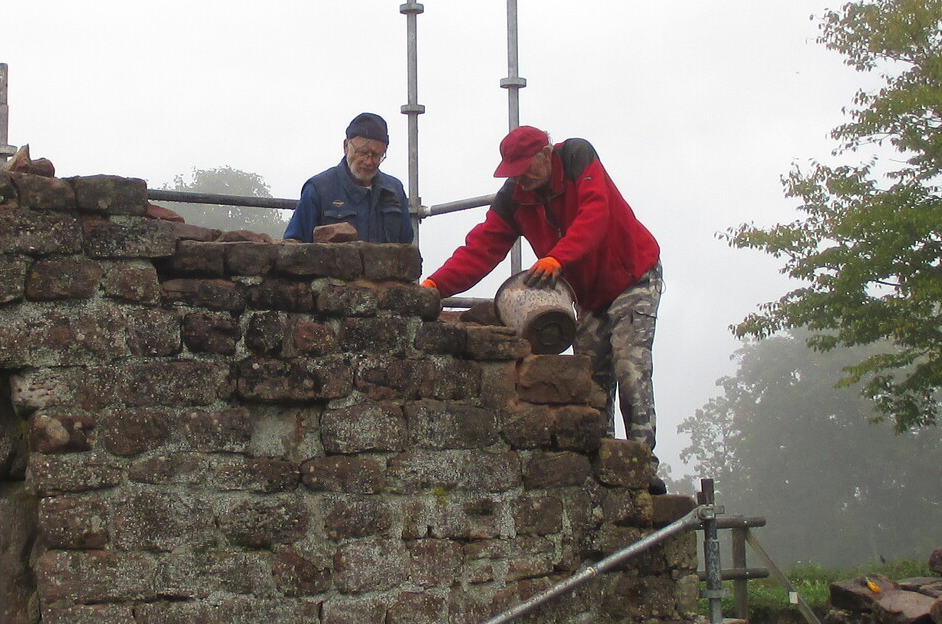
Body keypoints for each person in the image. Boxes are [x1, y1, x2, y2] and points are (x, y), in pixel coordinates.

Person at [421, 125, 664, 458]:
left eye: (525, 168)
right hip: (590, 298)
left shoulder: (577, 157)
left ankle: (642, 460)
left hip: (633, 276)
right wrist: (435, 286)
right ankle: (604, 461)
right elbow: (481, 249)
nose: (520, 178)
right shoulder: (514, 198)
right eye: (513, 172)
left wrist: (558, 258)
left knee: (629, 366)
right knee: (591, 380)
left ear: (546, 154)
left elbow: (595, 212)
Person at [284, 112, 414, 244]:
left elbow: (407, 248)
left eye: (376, 155)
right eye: (362, 152)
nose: (368, 161)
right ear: (346, 146)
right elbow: (293, 245)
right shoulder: (318, 189)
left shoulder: (395, 191)